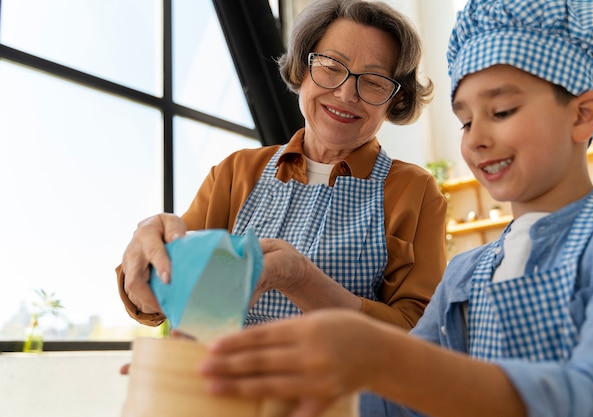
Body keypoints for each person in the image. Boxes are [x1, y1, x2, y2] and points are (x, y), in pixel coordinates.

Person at [197, 1, 593, 416]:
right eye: (465, 121)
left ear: (582, 116)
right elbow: (404, 403)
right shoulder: (468, 273)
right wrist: (266, 390)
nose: (475, 140)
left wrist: (375, 352)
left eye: (502, 110)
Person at [116, 0, 448, 332]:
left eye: (374, 81)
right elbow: (161, 293)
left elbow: (421, 333)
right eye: (331, 66)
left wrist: (301, 279)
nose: (347, 93)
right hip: (223, 381)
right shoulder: (235, 173)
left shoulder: (415, 191)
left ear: (395, 100)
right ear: (302, 71)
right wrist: (146, 267)